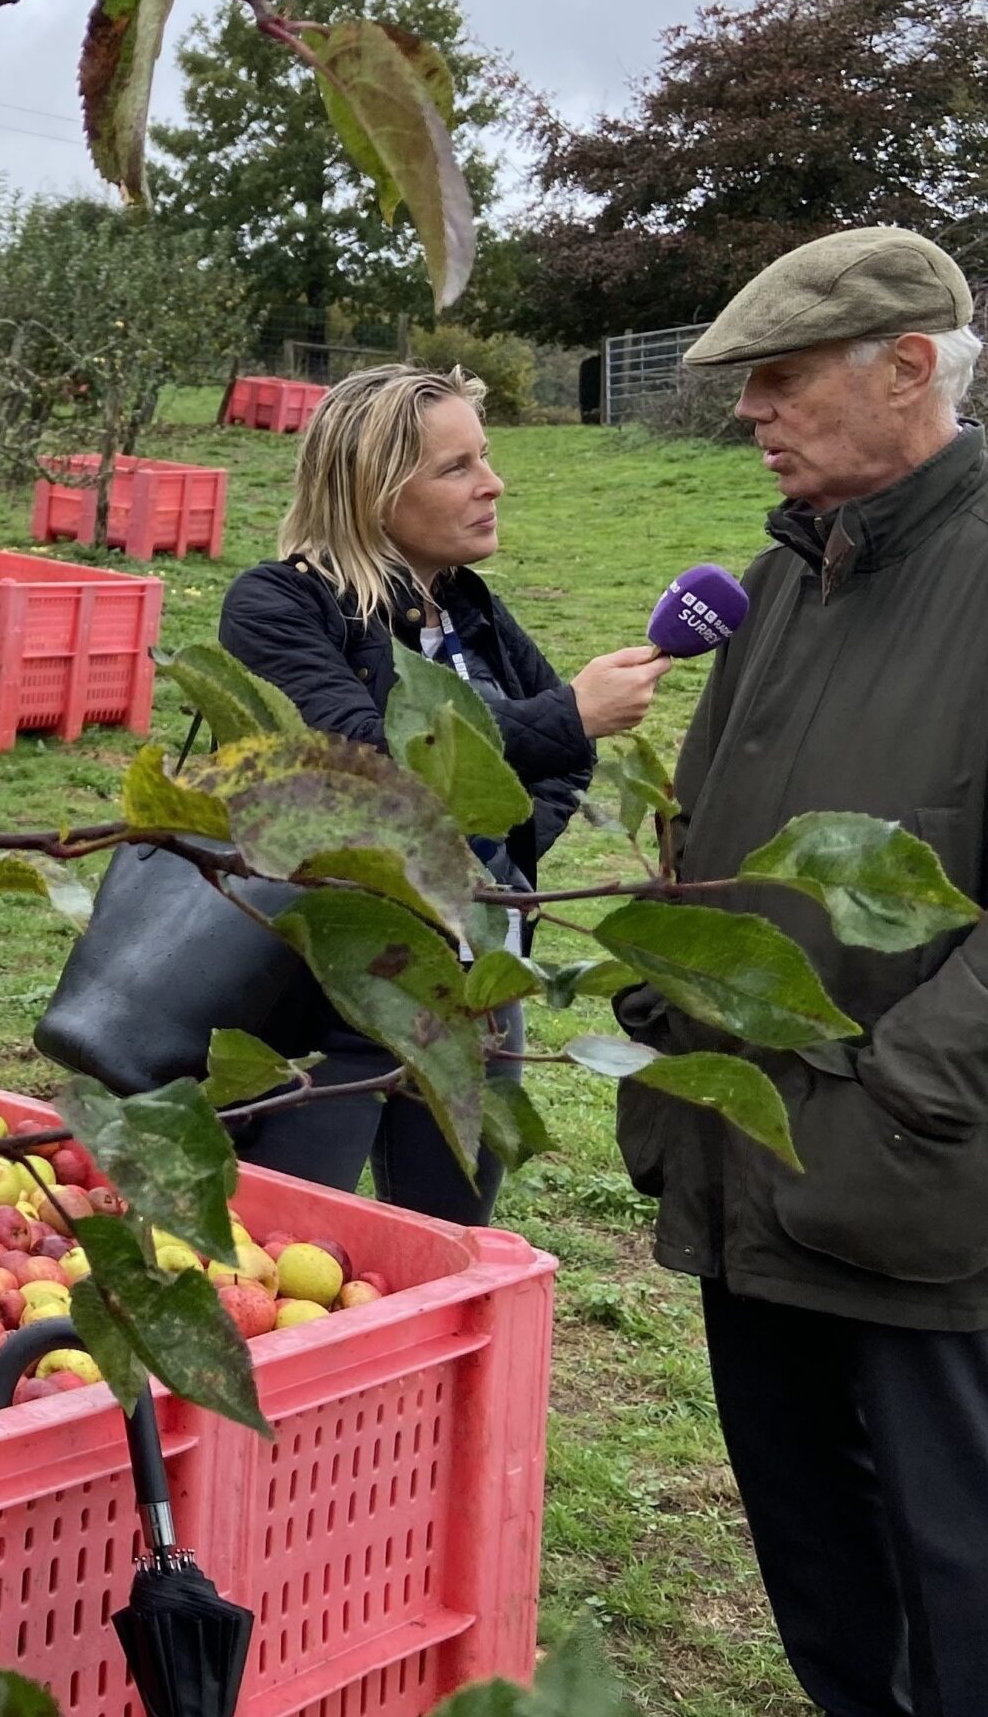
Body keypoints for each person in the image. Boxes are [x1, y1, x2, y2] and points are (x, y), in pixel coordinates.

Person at [614, 229, 988, 1717]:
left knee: (944, 1500)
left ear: (908, 366)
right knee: (793, 1472)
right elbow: (711, 821)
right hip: (745, 1127)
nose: (752, 415)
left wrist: (891, 1091)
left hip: (901, 1154)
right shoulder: (796, 566)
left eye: (780, 382)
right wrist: (671, 978)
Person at [217, 360, 668, 1222]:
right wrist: (569, 714)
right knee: (286, 1241)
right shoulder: (281, 607)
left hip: (473, 997)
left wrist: (483, 855)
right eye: (455, 467)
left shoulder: (469, 610)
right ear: (369, 488)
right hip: (331, 992)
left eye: (484, 457)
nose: (492, 484)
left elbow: (563, 768)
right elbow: (368, 759)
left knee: (448, 1236)